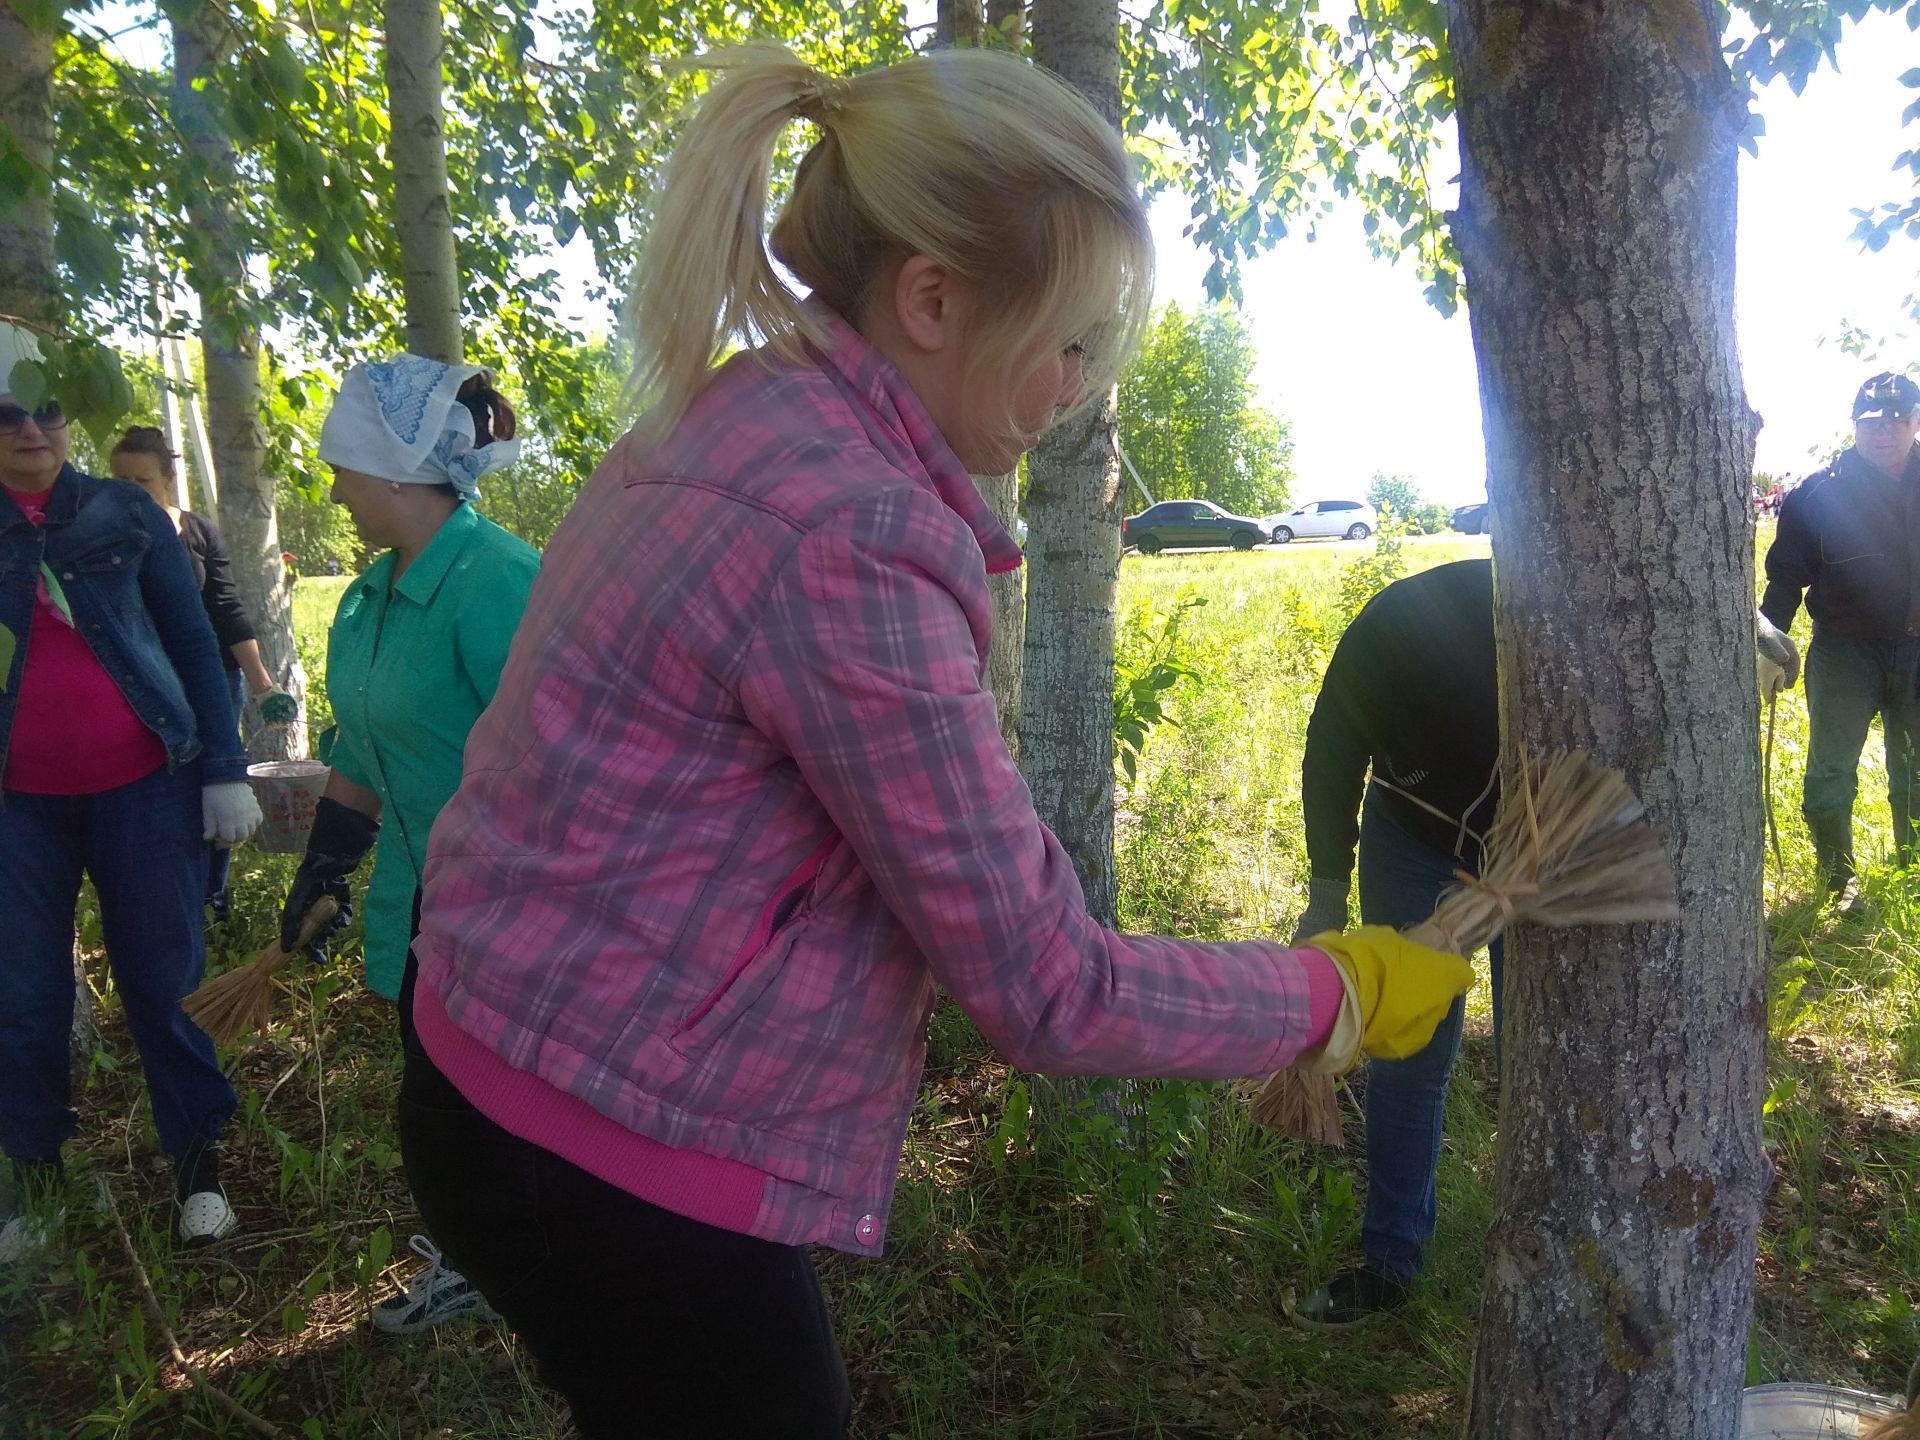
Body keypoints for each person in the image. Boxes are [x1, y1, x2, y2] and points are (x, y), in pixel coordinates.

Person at [398, 47, 1475, 1438]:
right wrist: (1329, 993)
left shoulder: (742, 409)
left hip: (495, 1050)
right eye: (1070, 340)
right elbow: (1046, 990)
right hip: (599, 1139)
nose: (1075, 385)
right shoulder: (854, 533)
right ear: (932, 298)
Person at [1289, 560, 1800, 1326]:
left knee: (1549, 1056)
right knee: (1409, 1053)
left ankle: (1559, 1259)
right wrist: (1327, 893)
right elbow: (1330, 753)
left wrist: (1743, 622)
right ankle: (1390, 1262)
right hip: (1416, 837)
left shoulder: (1558, 610)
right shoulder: (1391, 637)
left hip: (1549, 845)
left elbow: (1650, 581)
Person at [275, 355, 535, 1334]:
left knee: (487, 1112)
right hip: (420, 913)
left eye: (340, 467)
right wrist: (323, 869)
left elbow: (567, 756)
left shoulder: (502, 583)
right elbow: (361, 751)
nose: (331, 486)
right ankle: (485, 1258)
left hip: (512, 918)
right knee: (444, 1110)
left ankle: (533, 1262)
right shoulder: (364, 600)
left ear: (392, 474)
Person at [0, 322, 261, 1263]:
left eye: (48, 410)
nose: (32, 431)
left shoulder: (124, 511)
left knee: (165, 985)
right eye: (6, 416)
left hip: (148, 791)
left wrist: (226, 769)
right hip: (16, 807)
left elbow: (194, 643)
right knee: (21, 995)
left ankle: (198, 1171)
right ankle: (31, 1182)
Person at [109, 426, 296, 922]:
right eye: (119, 480)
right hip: (138, 691)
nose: (129, 492)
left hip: (210, 683)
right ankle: (165, 896)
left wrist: (262, 684)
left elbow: (227, 610)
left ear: (169, 478)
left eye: (141, 481)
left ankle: (213, 897)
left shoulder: (196, 533)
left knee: (218, 785)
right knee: (158, 794)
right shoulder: (103, 538)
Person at [1762, 370, 1920, 914]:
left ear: (1916, 422)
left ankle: (1913, 876)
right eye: (1871, 421)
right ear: (1854, 424)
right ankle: (1837, 879)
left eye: (1898, 420)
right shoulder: (1818, 492)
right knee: (1830, 771)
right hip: (1844, 654)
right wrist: (1768, 638)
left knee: (1917, 771)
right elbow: (1785, 576)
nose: (1884, 431)